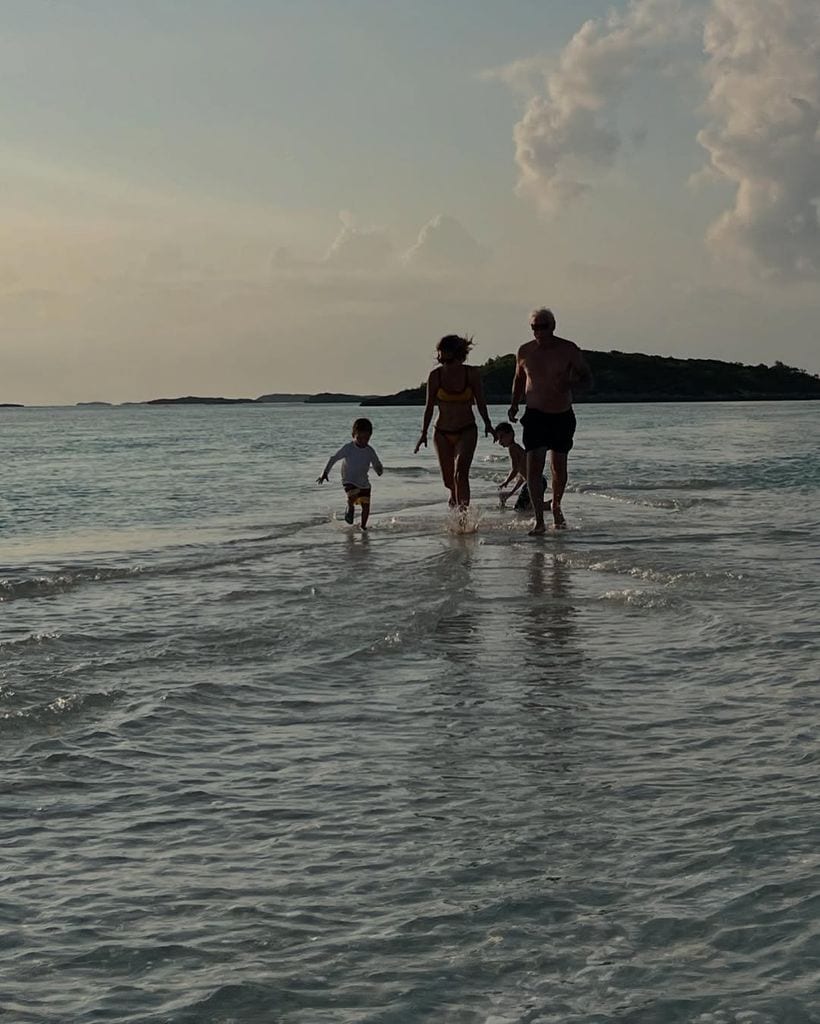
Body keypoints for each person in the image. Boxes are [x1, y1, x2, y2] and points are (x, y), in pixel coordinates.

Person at [508, 308, 592, 534]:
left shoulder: (568, 349)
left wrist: (570, 384)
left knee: (558, 467)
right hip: (534, 415)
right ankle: (539, 520)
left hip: (561, 415)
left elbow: (587, 378)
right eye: (534, 327)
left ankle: (556, 505)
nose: (538, 331)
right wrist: (514, 404)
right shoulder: (525, 351)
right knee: (533, 466)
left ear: (553, 326)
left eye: (543, 326)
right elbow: (518, 380)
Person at [414, 334, 495, 509]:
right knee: (449, 480)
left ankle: (463, 517)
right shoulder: (435, 376)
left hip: (466, 430)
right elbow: (429, 407)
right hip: (442, 431)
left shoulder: (471, 374)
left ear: (460, 357)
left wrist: (488, 423)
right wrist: (423, 433)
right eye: (442, 361)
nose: (446, 365)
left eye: (450, 361)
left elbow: (481, 401)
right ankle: (453, 495)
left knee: (461, 475)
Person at [318, 417, 383, 530]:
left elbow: (376, 463)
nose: (363, 441)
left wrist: (379, 469)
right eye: (359, 438)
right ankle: (350, 507)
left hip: (363, 482)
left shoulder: (369, 451)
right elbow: (333, 458)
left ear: (370, 436)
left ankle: (363, 527)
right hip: (349, 480)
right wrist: (325, 472)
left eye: (366, 438)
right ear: (353, 434)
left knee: (366, 506)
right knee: (353, 494)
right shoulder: (348, 448)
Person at [494, 421, 551, 513]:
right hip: (539, 480)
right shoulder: (517, 448)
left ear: (511, 434)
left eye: (502, 437)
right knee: (529, 507)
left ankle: (551, 505)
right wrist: (510, 494)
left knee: (520, 509)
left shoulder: (512, 448)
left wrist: (506, 481)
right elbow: (522, 477)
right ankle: (551, 505)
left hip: (535, 481)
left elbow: (515, 469)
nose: (500, 441)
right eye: (498, 438)